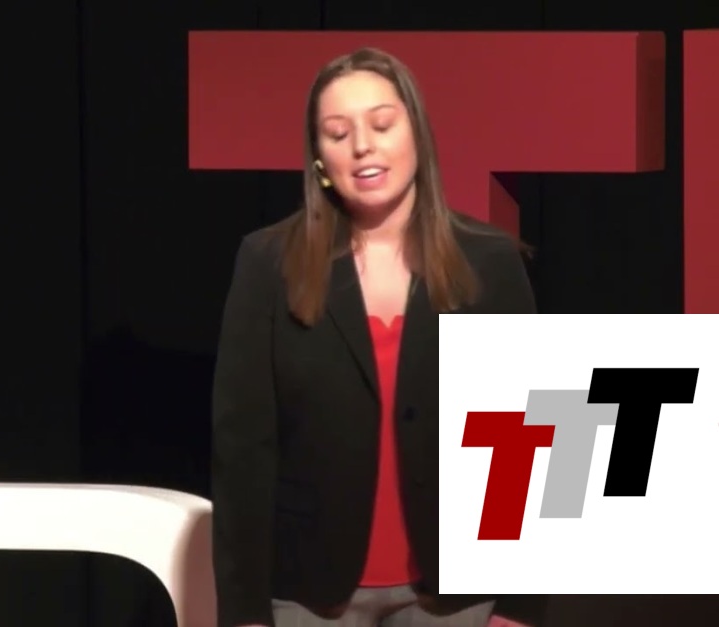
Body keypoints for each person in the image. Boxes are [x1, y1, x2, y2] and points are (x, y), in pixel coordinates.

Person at [209, 47, 545, 627]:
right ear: (319, 158)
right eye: (338, 133)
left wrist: (519, 606)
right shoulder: (267, 262)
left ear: (417, 135)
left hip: (459, 597)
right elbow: (242, 452)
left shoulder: (491, 261)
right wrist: (243, 613)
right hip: (309, 598)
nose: (362, 145)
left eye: (382, 124)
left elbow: (529, 442)